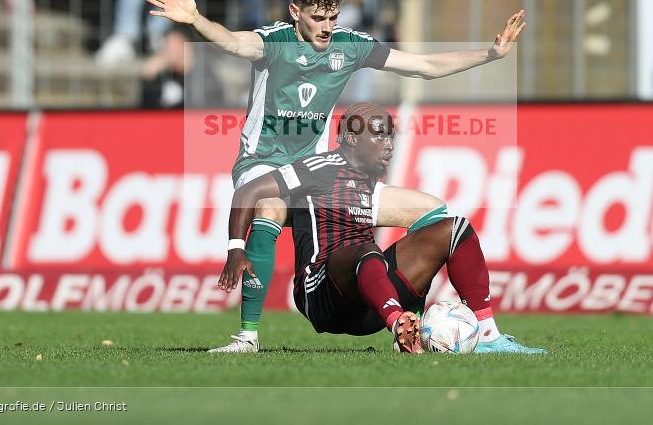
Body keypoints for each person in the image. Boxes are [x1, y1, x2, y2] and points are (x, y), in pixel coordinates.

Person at [145, 0, 526, 352]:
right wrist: (195, 20)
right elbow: (232, 43)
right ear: (295, 12)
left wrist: (490, 55)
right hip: (263, 163)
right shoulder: (274, 43)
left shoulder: (350, 46)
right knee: (270, 203)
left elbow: (423, 67)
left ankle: (463, 329)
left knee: (432, 211)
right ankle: (247, 337)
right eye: (317, 17)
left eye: (332, 17)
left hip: (318, 172)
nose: (326, 27)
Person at [218, 102, 546, 354]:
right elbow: (250, 191)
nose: (389, 145)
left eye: (390, 136)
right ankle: (398, 324)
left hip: (368, 303)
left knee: (454, 228)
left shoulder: (368, 182)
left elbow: (427, 219)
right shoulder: (317, 168)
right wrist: (236, 248)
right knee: (366, 249)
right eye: (379, 135)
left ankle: (486, 336)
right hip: (320, 294)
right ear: (349, 138)